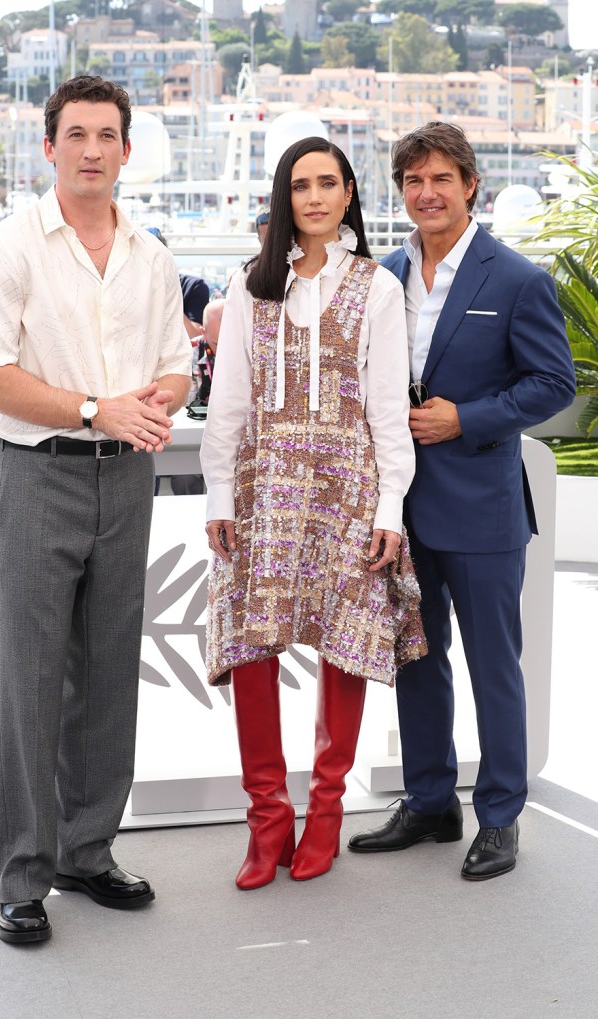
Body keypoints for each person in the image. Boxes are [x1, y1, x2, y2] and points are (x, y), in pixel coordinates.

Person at [0, 75, 191, 943]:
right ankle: (21, 873)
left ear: (127, 151)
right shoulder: (11, 245)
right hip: (41, 473)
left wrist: (154, 398)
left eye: (107, 135)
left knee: (106, 673)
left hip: (127, 478)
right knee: (29, 676)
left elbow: (178, 365)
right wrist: (99, 407)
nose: (92, 149)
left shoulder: (152, 253)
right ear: (48, 146)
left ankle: (86, 850)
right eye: (76, 134)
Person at [348, 122, 576, 879]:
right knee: (416, 659)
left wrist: (464, 418)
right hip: (402, 507)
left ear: (470, 183)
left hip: (481, 506)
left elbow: (553, 384)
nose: (427, 193)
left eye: (441, 178)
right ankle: (430, 800)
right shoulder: (382, 275)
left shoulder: (516, 279)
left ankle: (502, 814)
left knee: (493, 666)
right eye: (413, 181)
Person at [201, 136, 427, 889]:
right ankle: (267, 821)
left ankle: (325, 812)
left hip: (347, 492)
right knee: (253, 647)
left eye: (329, 183)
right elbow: (228, 404)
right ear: (283, 196)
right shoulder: (249, 285)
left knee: (343, 647)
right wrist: (218, 496)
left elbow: (389, 412)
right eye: (301, 185)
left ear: (350, 191)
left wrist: (390, 508)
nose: (316, 197)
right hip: (261, 489)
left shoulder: (377, 286)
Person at [171, 298, 226, 496]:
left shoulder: (251, 352)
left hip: (231, 440)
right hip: (194, 439)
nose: (226, 350)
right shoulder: (186, 355)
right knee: (184, 476)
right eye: (218, 343)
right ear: (203, 332)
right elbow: (181, 404)